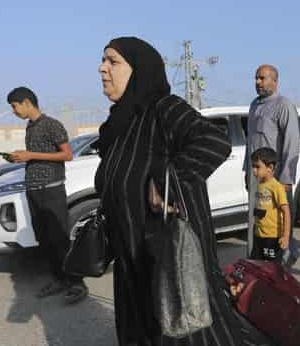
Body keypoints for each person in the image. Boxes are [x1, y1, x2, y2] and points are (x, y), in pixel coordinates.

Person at [94, 37, 270, 345]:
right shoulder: (118, 124)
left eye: (113, 61)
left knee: (190, 334)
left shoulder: (164, 109)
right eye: (103, 60)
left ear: (139, 70)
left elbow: (213, 142)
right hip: (131, 265)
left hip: (170, 260)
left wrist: (165, 182)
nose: (102, 68)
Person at [5, 87, 87, 304]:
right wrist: (20, 158)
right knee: (44, 240)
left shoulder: (51, 124)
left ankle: (76, 283)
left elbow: (67, 154)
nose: (13, 111)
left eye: (14, 106)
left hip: (52, 190)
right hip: (34, 191)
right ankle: (59, 280)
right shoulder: (30, 127)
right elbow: (40, 157)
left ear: (26, 102)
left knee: (59, 239)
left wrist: (30, 154)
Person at [244, 64, 300, 261]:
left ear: (275, 81)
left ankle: (284, 261)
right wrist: (247, 171)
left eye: (262, 78)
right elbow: (249, 142)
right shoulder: (254, 105)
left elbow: (291, 143)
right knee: (257, 220)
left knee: (279, 221)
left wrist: (286, 177)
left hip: (275, 178)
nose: (257, 82)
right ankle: (257, 261)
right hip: (256, 177)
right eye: (256, 78)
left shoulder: (283, 105)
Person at [249, 147, 291, 262]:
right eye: (253, 166)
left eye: (257, 167)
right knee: (256, 265)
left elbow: (286, 211)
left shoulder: (276, 187)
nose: (254, 170)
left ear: (270, 168)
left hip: (272, 237)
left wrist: (285, 236)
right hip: (258, 236)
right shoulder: (259, 184)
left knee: (272, 269)